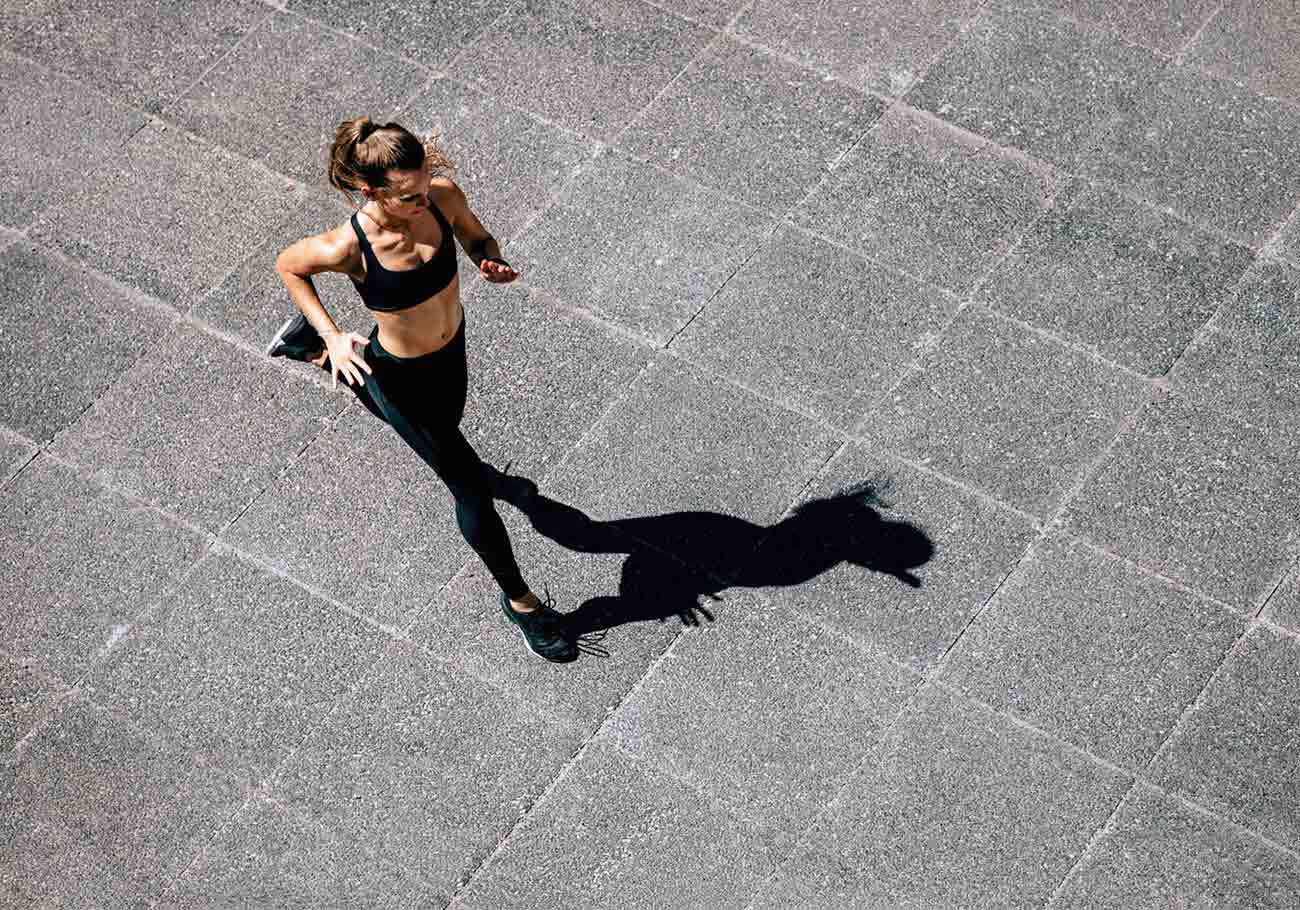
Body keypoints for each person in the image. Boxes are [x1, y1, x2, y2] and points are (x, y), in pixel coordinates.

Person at [269, 116, 576, 663]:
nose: (423, 198)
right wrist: (334, 334)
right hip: (402, 375)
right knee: (469, 488)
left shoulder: (440, 196)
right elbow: (289, 267)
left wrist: (489, 257)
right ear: (371, 192)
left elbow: (476, 234)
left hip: (451, 355)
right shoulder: (348, 246)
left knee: (445, 434)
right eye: (408, 195)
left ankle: (308, 350)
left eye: (425, 183)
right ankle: (522, 603)